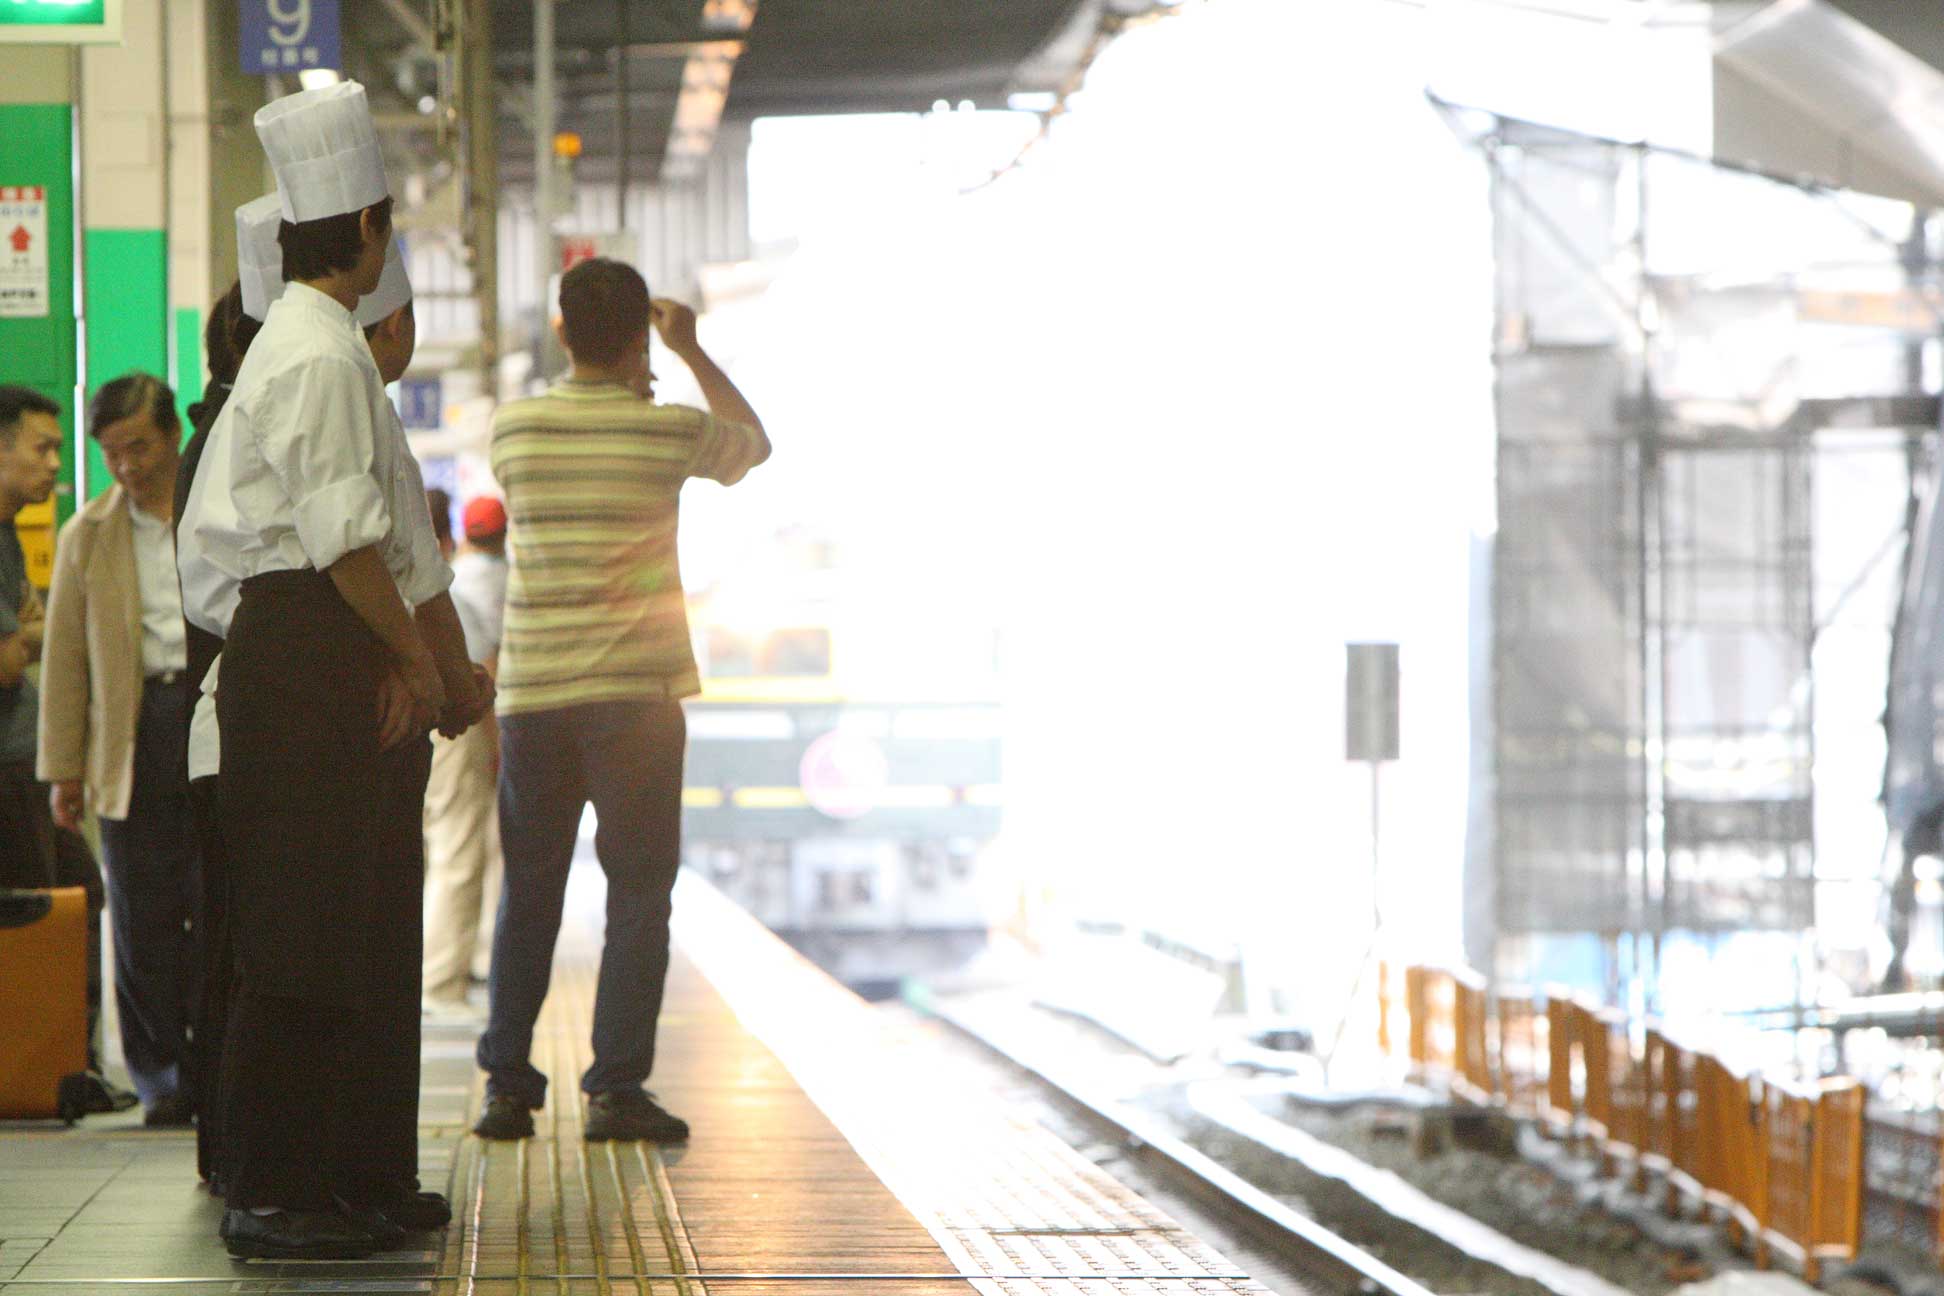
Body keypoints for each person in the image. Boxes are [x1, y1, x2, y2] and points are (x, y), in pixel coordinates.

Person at [177, 82, 490, 1260]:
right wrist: (415, 662)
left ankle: (337, 1181)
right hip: (302, 649)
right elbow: (347, 543)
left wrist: (417, 664)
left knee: (337, 937)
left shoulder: (316, 348)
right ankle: (271, 1194)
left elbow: (382, 555)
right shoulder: (315, 354)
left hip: (322, 646)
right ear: (364, 228)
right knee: (298, 938)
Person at [473, 257, 768, 1143]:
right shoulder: (666, 431)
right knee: (638, 894)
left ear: (561, 330)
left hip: (535, 697)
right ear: (642, 333)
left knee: (529, 891)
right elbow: (751, 444)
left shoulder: (514, 429)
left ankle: (507, 1088)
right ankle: (614, 1091)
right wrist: (689, 352)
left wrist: (631, 371)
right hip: (637, 701)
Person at [38, 373, 199, 1129]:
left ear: (172, 435)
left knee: (213, 899)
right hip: (129, 734)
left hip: (208, 715)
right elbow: (66, 663)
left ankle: (214, 1066)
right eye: (112, 454)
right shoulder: (88, 534)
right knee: (139, 912)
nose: (128, 467)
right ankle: (162, 1078)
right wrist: (63, 771)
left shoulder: (216, 512)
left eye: (139, 447)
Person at [179, 191, 281, 1193]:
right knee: (243, 952)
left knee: (234, 944)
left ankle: (230, 1157)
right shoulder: (227, 437)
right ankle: (237, 1162)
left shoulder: (215, 430)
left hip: (232, 722)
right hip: (240, 724)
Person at [0, 386, 136, 1118]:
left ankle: (68, 1065)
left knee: (80, 894)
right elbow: (8, 659)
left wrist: (29, 631)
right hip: (9, 766)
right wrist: (35, 632)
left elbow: (24, 635)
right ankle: (42, 1072)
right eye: (42, 447)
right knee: (40, 915)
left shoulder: (10, 533)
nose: (56, 463)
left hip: (25, 760)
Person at [421, 494, 507, 1018]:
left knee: (436, 849)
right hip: (454, 729)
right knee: (458, 849)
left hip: (417, 727)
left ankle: (433, 973)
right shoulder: (440, 593)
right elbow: (478, 669)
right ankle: (441, 981)